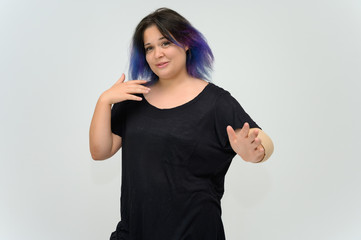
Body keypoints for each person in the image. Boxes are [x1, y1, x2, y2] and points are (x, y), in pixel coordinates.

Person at [89, 7, 274, 240]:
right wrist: (104, 101)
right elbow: (100, 151)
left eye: (165, 43)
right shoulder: (133, 98)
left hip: (195, 232)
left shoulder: (216, 102)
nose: (158, 54)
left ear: (186, 43)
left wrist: (254, 153)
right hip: (135, 231)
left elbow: (262, 142)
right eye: (149, 48)